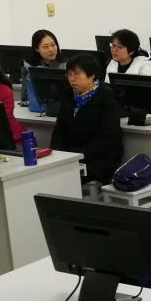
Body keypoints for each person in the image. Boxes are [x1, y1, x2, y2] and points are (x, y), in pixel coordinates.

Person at [52, 53, 124, 185]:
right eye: (69, 74)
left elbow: (108, 138)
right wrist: (59, 154)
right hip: (72, 156)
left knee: (66, 178)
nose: (72, 79)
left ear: (92, 76)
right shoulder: (68, 95)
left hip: (100, 158)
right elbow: (59, 131)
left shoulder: (107, 97)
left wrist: (77, 156)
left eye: (77, 74)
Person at [22, 29, 66, 109]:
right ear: (37, 49)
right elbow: (24, 96)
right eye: (46, 47)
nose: (51, 49)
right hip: (37, 108)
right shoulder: (28, 66)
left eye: (53, 45)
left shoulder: (66, 64)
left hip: (62, 108)